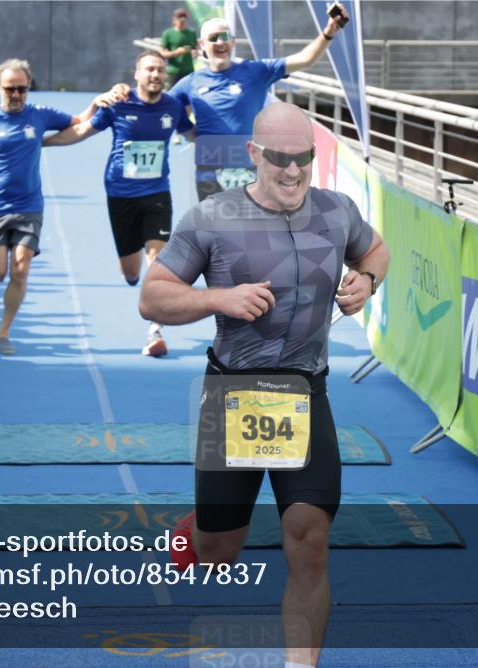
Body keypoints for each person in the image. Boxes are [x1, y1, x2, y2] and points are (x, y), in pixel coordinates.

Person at [140, 102, 390, 668]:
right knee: (218, 553)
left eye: (304, 158)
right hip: (234, 395)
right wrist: (218, 298)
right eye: (279, 158)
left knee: (309, 536)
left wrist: (368, 280)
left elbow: (376, 249)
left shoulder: (337, 211)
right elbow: (151, 298)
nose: (293, 171)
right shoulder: (211, 217)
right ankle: (197, 533)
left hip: (305, 393)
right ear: (253, 154)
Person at [0, 58, 121, 354]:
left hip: (29, 206)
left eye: (22, 89)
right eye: (10, 89)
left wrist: (95, 104)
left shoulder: (39, 115)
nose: (16, 95)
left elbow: (77, 121)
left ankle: (4, 332)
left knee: (21, 268)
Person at [42, 50, 194, 357]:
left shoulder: (172, 106)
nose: (156, 74)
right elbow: (82, 131)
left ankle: (155, 330)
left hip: (157, 194)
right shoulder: (119, 104)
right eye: (150, 69)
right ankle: (131, 272)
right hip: (120, 195)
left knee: (158, 260)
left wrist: (232, 141)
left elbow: (194, 134)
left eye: (160, 70)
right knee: (131, 272)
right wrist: (39, 142)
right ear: (136, 74)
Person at [170, 4, 349, 201]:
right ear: (202, 44)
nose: (220, 42)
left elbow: (305, 59)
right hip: (209, 175)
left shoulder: (256, 71)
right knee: (214, 222)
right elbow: (165, 106)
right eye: (213, 38)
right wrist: (187, 131)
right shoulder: (191, 83)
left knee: (255, 221)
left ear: (233, 42)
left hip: (251, 172)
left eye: (225, 36)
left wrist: (329, 32)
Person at [159, 8, 197, 90]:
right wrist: (177, 52)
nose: (182, 20)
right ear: (174, 19)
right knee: (173, 94)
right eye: (180, 17)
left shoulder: (191, 33)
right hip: (174, 72)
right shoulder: (168, 33)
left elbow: (195, 49)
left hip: (189, 71)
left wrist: (194, 53)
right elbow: (162, 53)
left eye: (184, 17)